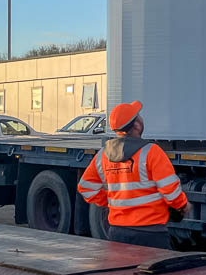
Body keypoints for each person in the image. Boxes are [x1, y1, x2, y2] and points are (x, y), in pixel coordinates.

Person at [78, 100, 188, 250]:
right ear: (136, 125)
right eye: (138, 116)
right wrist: (182, 205)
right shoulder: (151, 152)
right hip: (151, 233)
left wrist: (112, 202)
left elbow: (85, 188)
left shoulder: (102, 156)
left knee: (122, 273)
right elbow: (170, 190)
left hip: (118, 232)